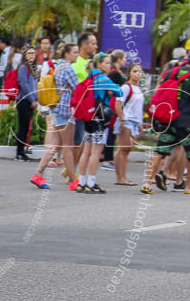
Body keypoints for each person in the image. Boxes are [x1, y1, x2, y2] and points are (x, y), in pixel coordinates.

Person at [141, 48, 190, 195]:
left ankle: (147, 182)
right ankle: (189, 185)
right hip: (185, 121)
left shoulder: (172, 72)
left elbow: (159, 90)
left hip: (167, 118)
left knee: (159, 151)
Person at [30, 43, 81, 190]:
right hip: (64, 112)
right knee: (68, 147)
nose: (77, 54)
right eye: (75, 52)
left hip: (55, 109)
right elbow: (78, 89)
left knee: (53, 146)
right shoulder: (68, 69)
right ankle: (73, 181)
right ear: (67, 54)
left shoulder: (58, 67)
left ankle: (38, 174)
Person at [74, 53, 123, 193]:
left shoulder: (89, 77)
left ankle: (81, 183)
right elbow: (119, 91)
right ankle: (91, 183)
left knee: (86, 151)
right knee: (96, 152)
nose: (109, 65)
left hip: (88, 117)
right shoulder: (102, 78)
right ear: (99, 64)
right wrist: (110, 92)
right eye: (106, 63)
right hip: (99, 118)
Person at [113, 63, 144, 186]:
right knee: (122, 149)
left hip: (135, 122)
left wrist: (140, 123)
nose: (138, 74)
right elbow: (118, 104)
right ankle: (120, 177)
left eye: (140, 71)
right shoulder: (126, 88)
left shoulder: (138, 89)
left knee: (127, 150)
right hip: (127, 120)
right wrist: (122, 120)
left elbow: (138, 108)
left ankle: (124, 176)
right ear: (129, 73)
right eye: (135, 71)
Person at [14, 47, 38, 162]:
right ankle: (19, 152)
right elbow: (24, 84)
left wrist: (36, 99)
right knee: (22, 127)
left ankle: (23, 150)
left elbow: (35, 85)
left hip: (31, 101)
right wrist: (32, 99)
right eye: (29, 54)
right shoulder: (23, 67)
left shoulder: (34, 69)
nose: (31, 56)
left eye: (33, 53)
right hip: (24, 100)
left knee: (27, 126)